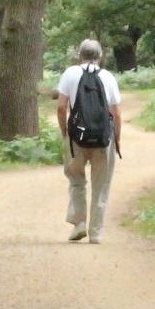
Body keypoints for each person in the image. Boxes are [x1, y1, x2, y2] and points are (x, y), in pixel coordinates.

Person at [55, 38, 122, 244]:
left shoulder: (70, 73)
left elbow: (61, 107)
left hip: (77, 137)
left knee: (76, 180)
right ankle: (96, 233)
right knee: (101, 186)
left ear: (79, 56)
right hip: (103, 139)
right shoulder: (108, 77)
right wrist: (117, 138)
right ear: (100, 57)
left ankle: (79, 223)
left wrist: (65, 132)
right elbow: (116, 113)